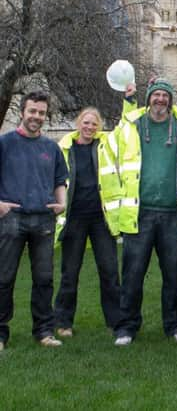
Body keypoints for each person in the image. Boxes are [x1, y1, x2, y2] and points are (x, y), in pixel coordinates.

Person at [112, 78, 177, 346]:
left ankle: (175, 325)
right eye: (156, 95)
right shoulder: (134, 126)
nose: (160, 99)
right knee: (133, 273)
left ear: (171, 100)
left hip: (173, 213)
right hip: (140, 212)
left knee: (173, 273)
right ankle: (126, 327)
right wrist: (128, 100)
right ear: (148, 98)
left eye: (164, 95)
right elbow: (120, 132)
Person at [0, 91, 68, 350]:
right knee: (4, 278)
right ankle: (0, 334)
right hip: (11, 218)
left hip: (43, 220)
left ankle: (44, 331)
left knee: (43, 279)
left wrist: (61, 204)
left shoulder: (51, 147)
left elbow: (59, 179)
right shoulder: (5, 143)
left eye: (41, 113)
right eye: (32, 111)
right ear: (22, 112)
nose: (36, 117)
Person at [53, 108, 122, 338]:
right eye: (86, 123)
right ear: (78, 123)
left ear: (99, 126)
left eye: (94, 124)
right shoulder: (64, 148)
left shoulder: (106, 146)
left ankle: (115, 321)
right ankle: (63, 322)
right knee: (69, 273)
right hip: (74, 219)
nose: (90, 127)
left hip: (101, 219)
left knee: (110, 272)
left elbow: (125, 129)